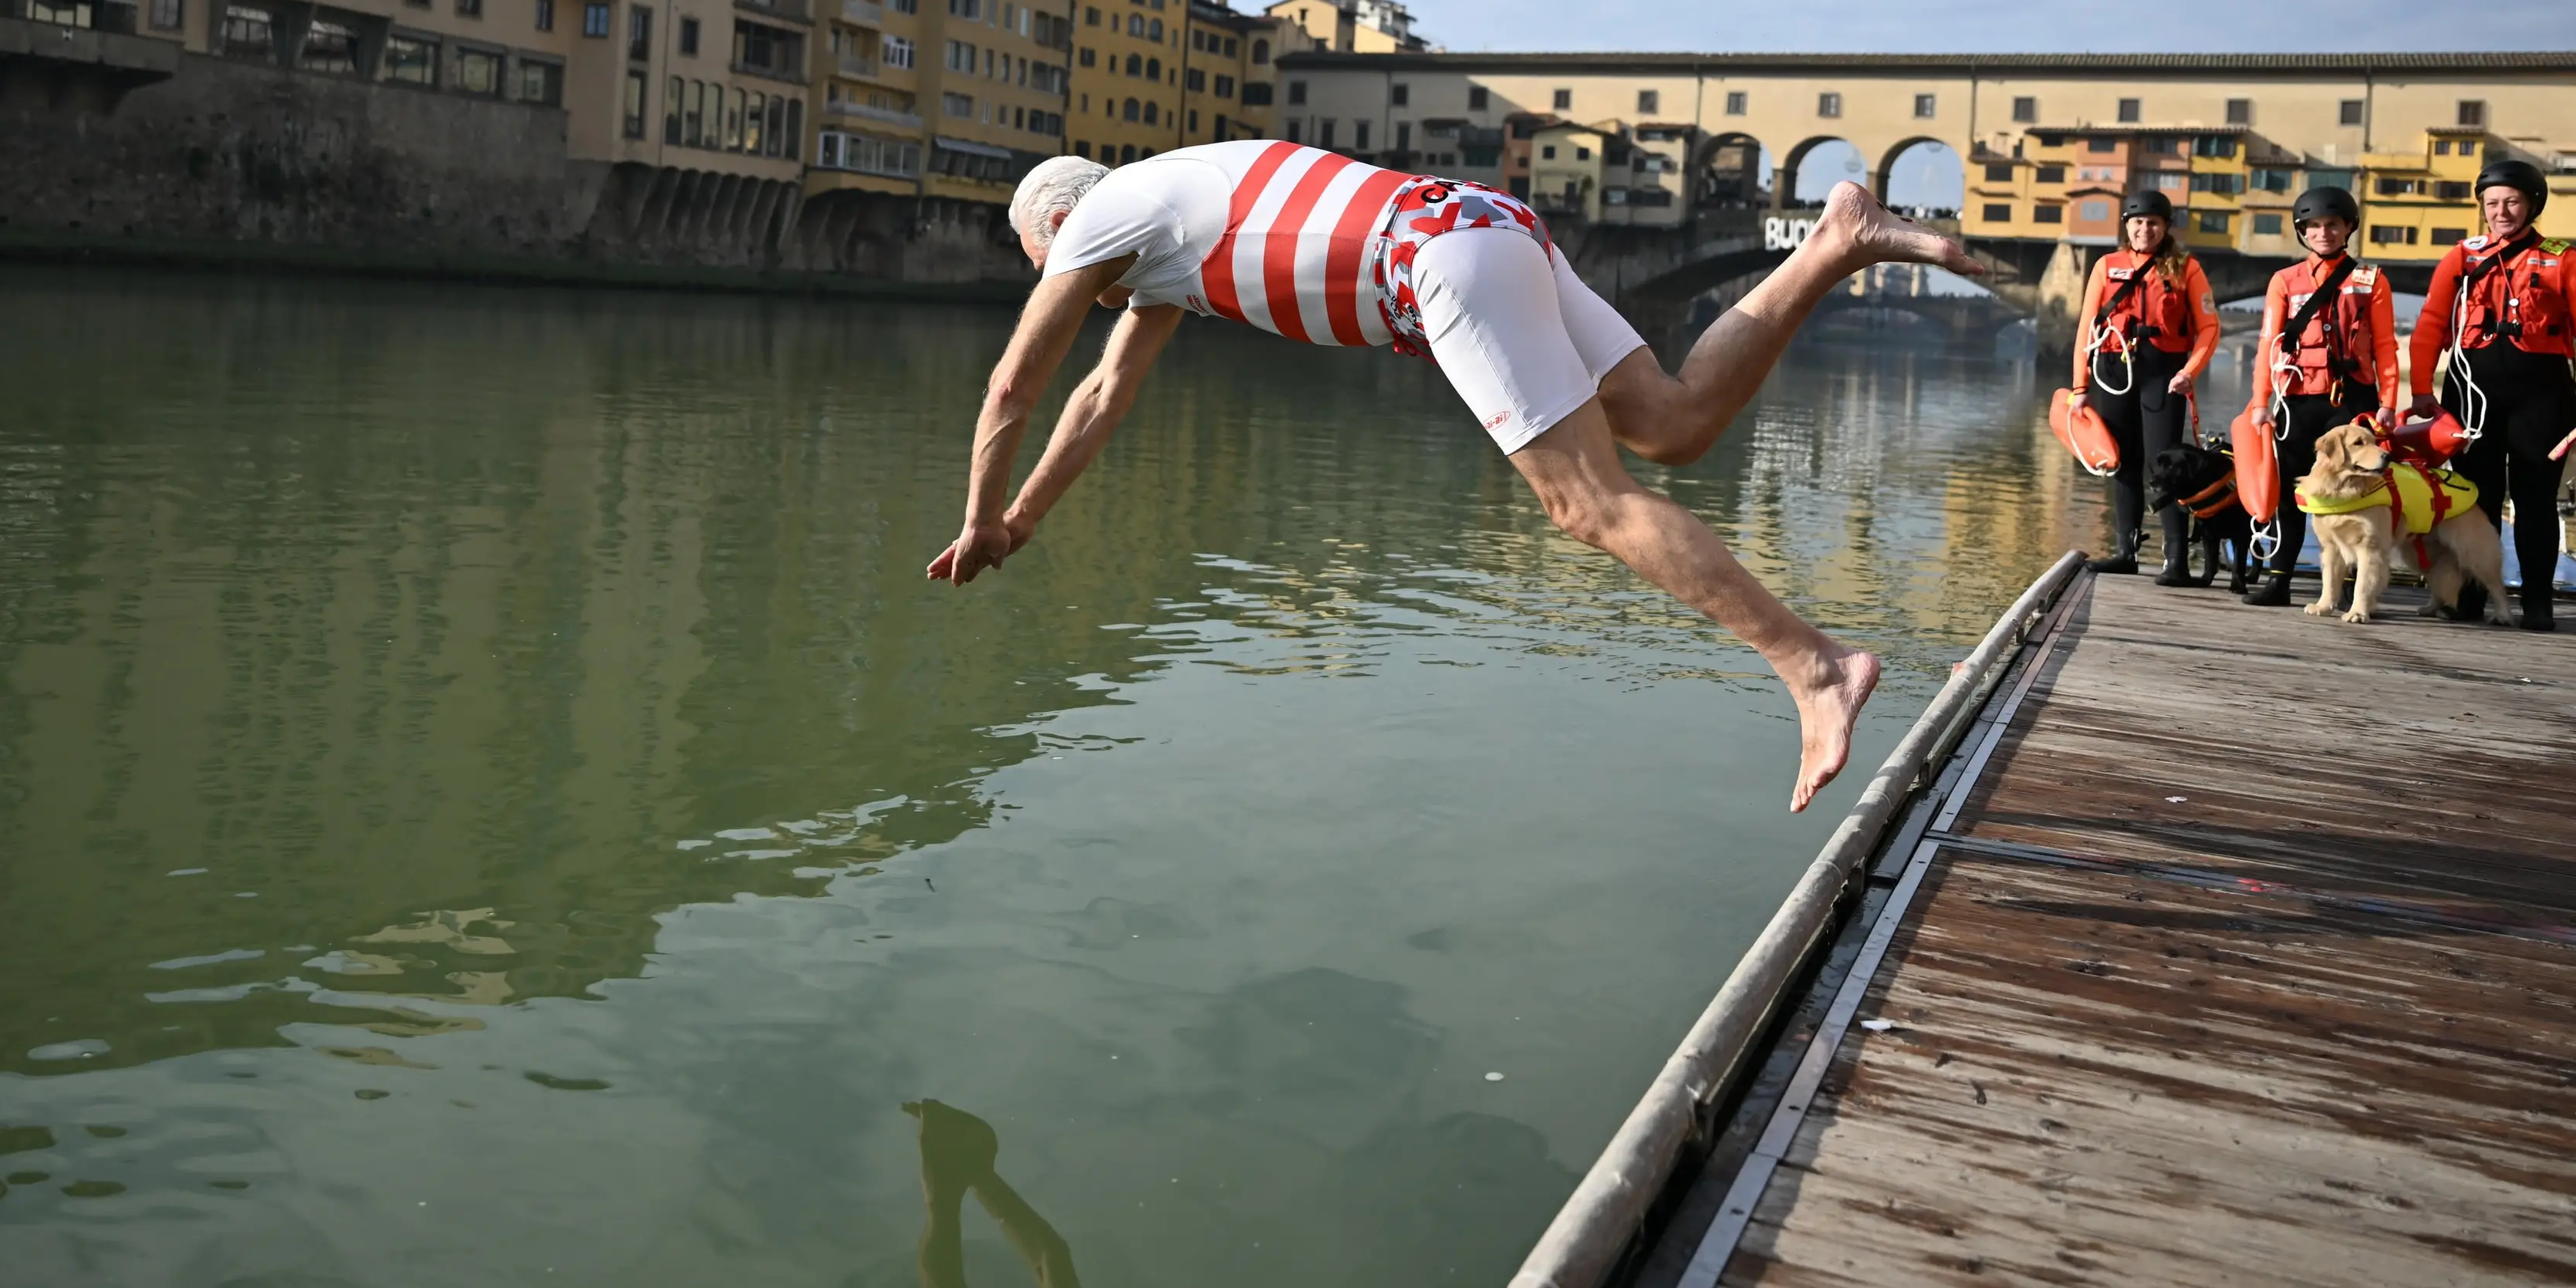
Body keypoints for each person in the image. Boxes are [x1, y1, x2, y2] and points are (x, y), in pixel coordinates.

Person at [930, 140, 1989, 813]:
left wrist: (975, 519)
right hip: (1486, 221)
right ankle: (1834, 239)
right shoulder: (1163, 228)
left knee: (1586, 502)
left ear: (1057, 230)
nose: (1059, 284)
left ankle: (1813, 666)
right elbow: (1100, 396)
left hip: (1433, 259)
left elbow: (1014, 387)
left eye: (1043, 263)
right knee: (1674, 421)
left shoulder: (1108, 214)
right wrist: (1020, 518)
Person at [2407, 157, 2576, 629]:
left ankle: (2538, 601)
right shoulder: (2461, 258)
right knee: (2473, 499)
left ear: (2531, 205)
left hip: (2542, 398)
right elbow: (2430, 325)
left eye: (2511, 202)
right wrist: (2422, 388)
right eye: (2492, 204)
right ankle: (2470, 597)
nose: (2501, 211)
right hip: (2470, 394)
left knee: (2536, 500)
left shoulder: (2565, 259)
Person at [2236, 186, 2397, 607]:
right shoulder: (2284, 281)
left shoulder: (2372, 280)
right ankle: (2279, 579)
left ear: (2348, 228)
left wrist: (2388, 403)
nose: (2323, 232)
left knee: (2362, 490)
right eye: (2313, 226)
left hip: (2353, 399)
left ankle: (2358, 589)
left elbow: (2385, 347)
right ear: (2302, 231)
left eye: (2332, 225)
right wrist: (2260, 404)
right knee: (2295, 492)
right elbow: (2268, 344)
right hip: (2297, 401)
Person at [2068, 189, 2219, 581]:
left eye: (2153, 222)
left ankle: (2176, 561)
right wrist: (2079, 387)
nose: (2144, 229)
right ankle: (2125, 552)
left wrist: (2190, 371)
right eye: (2137, 222)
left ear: (2166, 227)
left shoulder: (2187, 267)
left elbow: (2209, 328)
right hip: (2113, 370)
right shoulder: (2106, 265)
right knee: (2122, 462)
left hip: (2163, 373)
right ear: (2127, 226)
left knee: (2164, 464)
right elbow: (2087, 327)